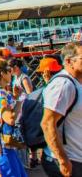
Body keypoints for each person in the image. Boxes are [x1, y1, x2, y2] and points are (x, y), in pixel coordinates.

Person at [41, 42, 82, 177]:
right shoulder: (63, 85)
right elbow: (47, 124)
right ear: (69, 61)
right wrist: (63, 160)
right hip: (70, 161)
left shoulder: (77, 82)